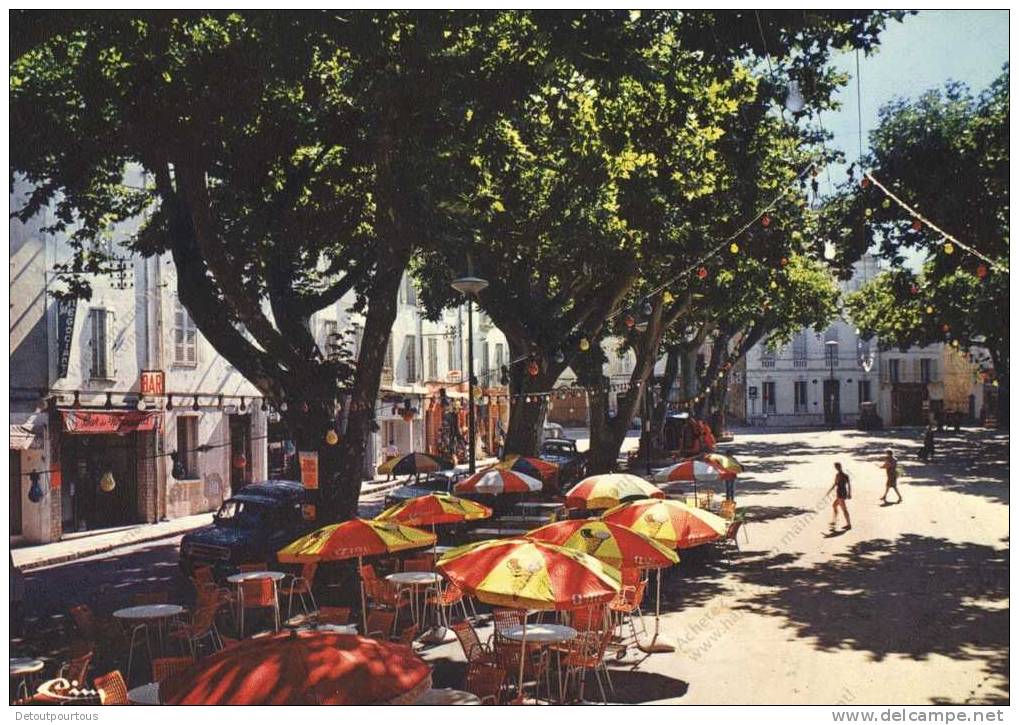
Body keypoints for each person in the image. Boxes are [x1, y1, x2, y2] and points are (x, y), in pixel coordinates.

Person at [827, 462, 852, 530]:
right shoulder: (840, 475)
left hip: (841, 493)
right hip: (841, 493)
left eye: (837, 467)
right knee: (834, 505)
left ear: (839, 467)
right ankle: (834, 520)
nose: (836, 468)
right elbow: (835, 483)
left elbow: (848, 485)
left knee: (844, 509)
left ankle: (849, 524)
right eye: (836, 467)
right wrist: (830, 490)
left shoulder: (843, 475)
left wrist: (850, 493)